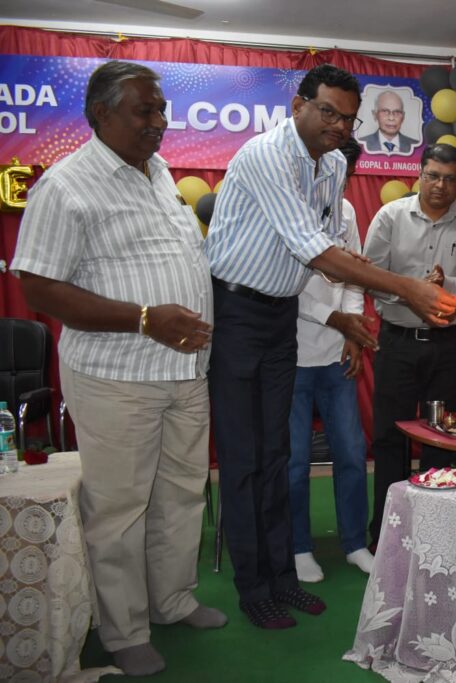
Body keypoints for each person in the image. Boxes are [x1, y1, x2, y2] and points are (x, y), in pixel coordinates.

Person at [204, 65, 456, 630]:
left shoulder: (333, 164)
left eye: (347, 118)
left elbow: (328, 247)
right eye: (328, 112)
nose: (339, 126)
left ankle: (282, 577)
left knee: (277, 455)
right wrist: (404, 287)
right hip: (237, 313)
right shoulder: (267, 155)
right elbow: (315, 250)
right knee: (245, 460)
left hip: (280, 317)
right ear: (298, 106)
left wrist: (363, 277)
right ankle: (253, 587)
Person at [11, 60, 226, 677]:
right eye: (144, 110)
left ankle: (172, 600)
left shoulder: (158, 172)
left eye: (161, 110)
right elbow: (39, 287)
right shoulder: (66, 185)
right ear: (101, 113)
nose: (159, 122)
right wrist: (144, 318)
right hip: (116, 376)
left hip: (185, 372)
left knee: (181, 494)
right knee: (120, 508)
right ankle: (124, 628)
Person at [363, 143, 456, 546]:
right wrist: (415, 292)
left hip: (449, 346)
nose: (440, 185)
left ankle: (436, 536)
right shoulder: (391, 216)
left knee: (443, 440)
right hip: (398, 343)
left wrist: (447, 286)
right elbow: (370, 276)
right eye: (433, 176)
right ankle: (386, 537)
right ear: (419, 174)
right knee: (390, 439)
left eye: (450, 179)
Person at [288, 138, 376, 583]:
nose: (337, 181)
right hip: (291, 356)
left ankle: (354, 543)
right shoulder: (288, 208)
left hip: (337, 353)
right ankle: (299, 547)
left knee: (351, 451)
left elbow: (355, 277)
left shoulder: (345, 211)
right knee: (294, 460)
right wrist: (335, 319)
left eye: (346, 175)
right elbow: (288, 287)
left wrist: (353, 332)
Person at [358, 90, 418, 155]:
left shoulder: (417, 146)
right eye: (385, 111)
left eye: (397, 112)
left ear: (403, 116)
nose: (391, 118)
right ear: (375, 115)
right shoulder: (360, 144)